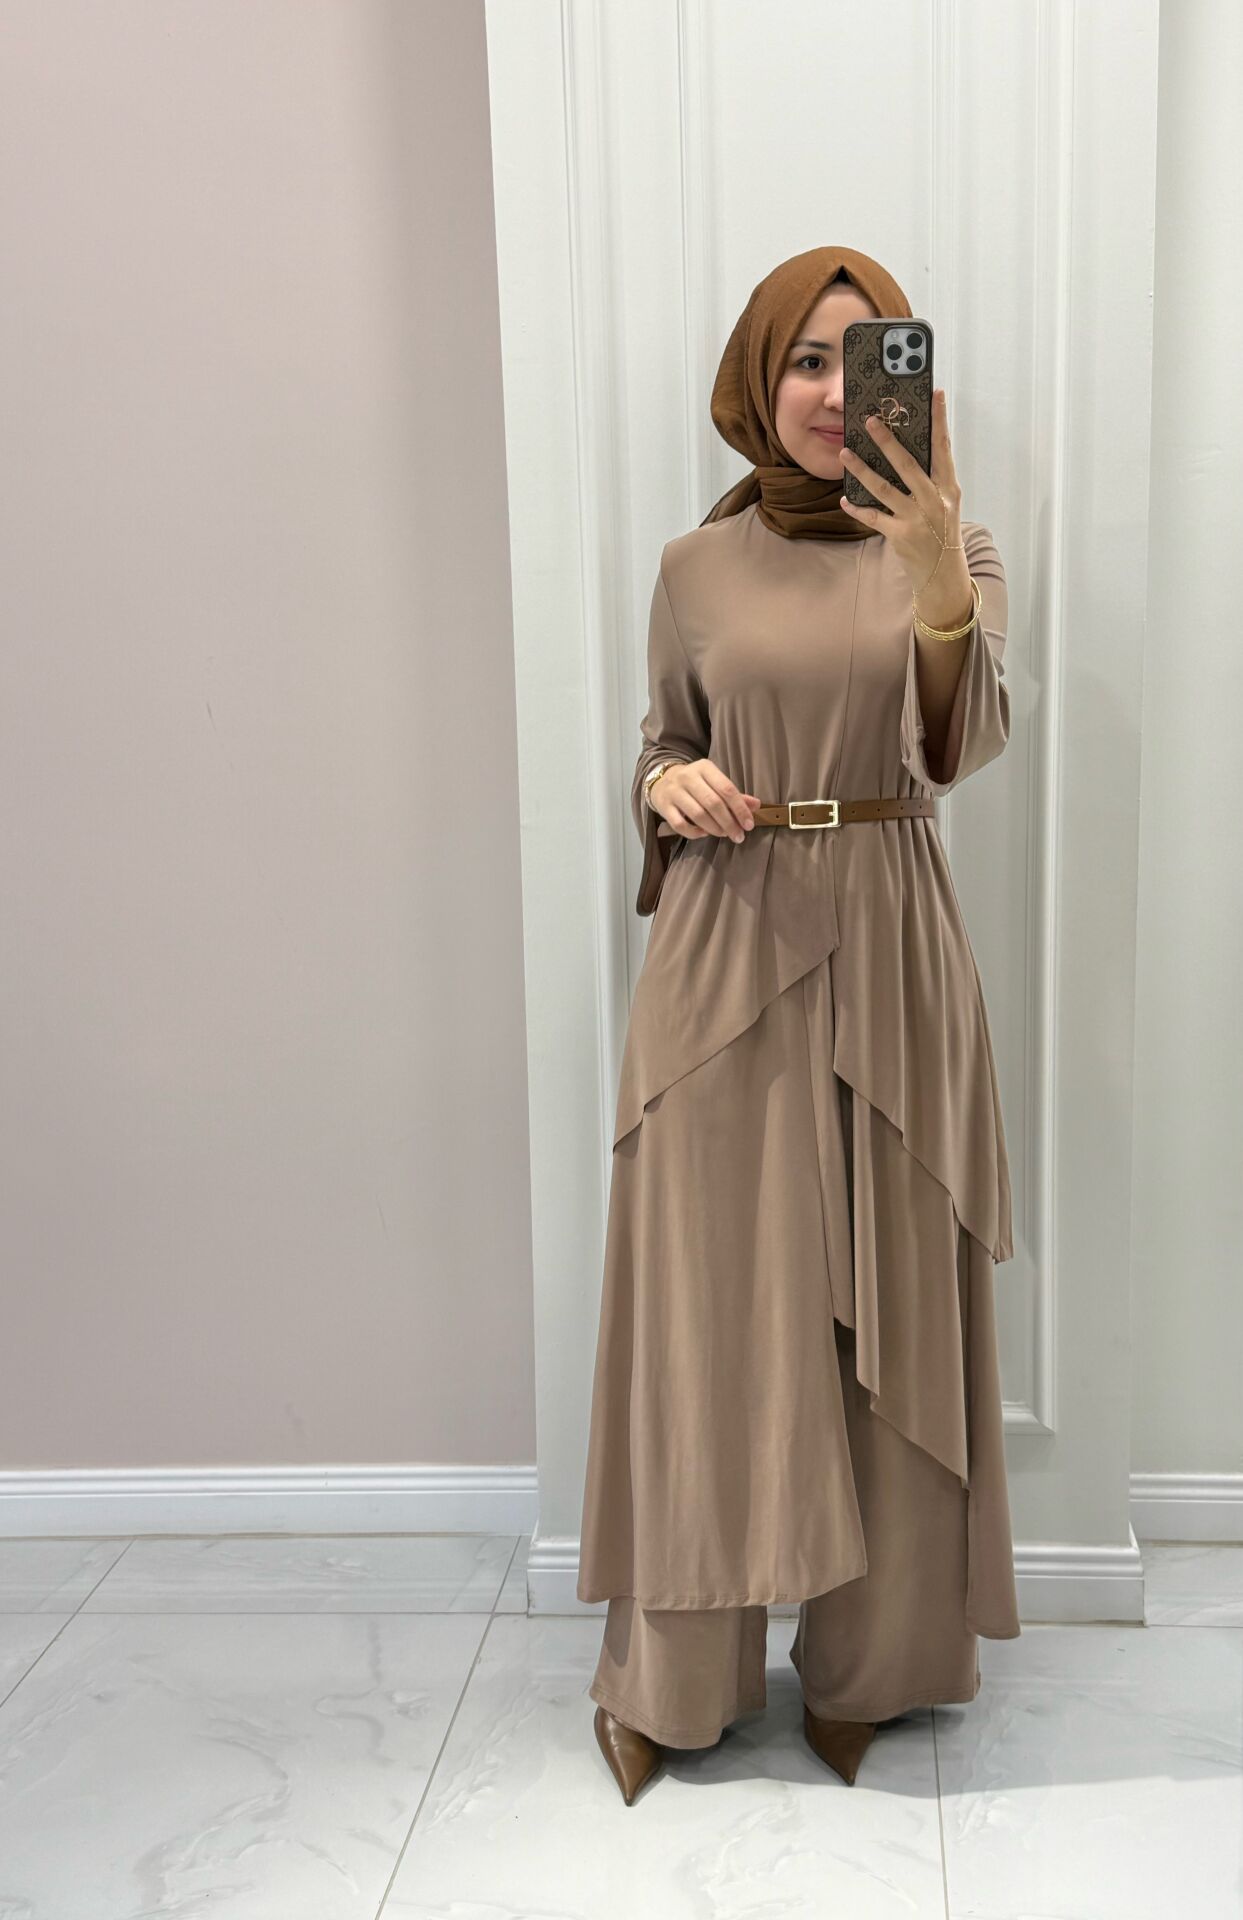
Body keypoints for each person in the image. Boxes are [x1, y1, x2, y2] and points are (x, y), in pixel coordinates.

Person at [577, 245, 1021, 1805]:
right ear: (758, 383)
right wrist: (667, 783)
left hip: (893, 947)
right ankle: (672, 1682)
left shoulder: (949, 547)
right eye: (807, 361)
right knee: (711, 1327)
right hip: (725, 960)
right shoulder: (693, 568)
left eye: (864, 358)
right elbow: (663, 740)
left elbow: (961, 744)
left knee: (892, 1318)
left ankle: (873, 1671)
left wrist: (940, 577)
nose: (836, 394)